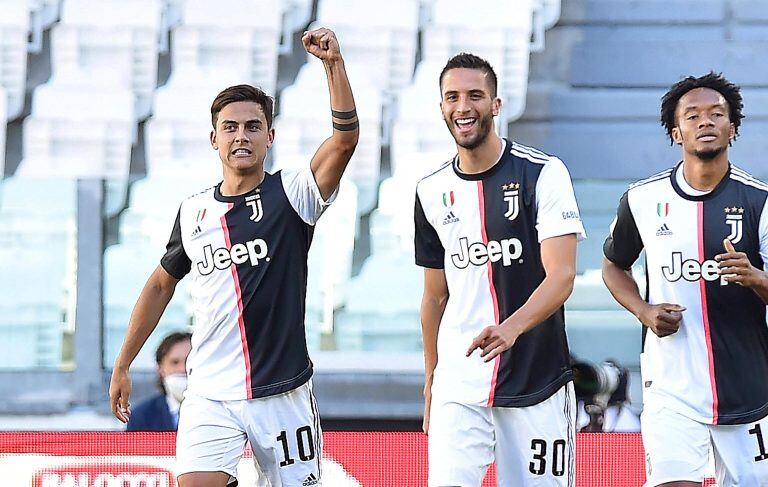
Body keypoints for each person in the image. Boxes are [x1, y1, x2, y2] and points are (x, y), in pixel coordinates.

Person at [109, 27, 358, 487]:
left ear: (270, 136)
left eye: (251, 126)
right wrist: (123, 361)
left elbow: (344, 140)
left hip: (283, 392)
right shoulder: (194, 210)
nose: (240, 136)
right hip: (210, 394)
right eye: (230, 127)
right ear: (213, 139)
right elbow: (161, 283)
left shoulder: (293, 193)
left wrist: (332, 65)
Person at [414, 52, 585, 487]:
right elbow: (435, 296)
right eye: (452, 97)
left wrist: (510, 328)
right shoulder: (431, 191)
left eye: (475, 95)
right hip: (459, 383)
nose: (463, 106)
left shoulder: (543, 173)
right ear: (441, 108)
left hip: (537, 380)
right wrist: (433, 380)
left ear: (496, 104)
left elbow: (562, 276)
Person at [602, 72, 768, 487]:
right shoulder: (642, 200)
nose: (705, 122)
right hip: (670, 388)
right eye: (692, 116)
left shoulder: (759, 202)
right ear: (676, 133)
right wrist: (644, 311)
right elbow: (613, 266)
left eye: (716, 114)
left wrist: (755, 278)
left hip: (749, 389)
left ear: (733, 127)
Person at [126, 331, 192, 432]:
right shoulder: (142, 416)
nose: (183, 369)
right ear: (160, 368)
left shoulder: (217, 412)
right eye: (174, 362)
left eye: (189, 361)